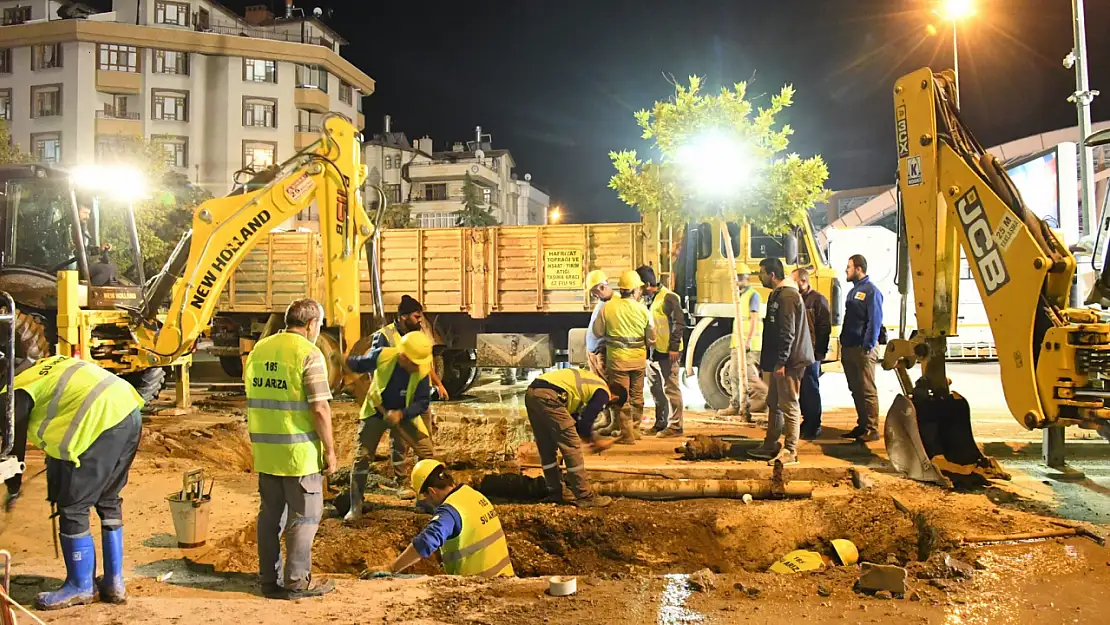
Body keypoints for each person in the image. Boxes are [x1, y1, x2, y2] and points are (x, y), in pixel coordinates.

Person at [2, 355, 143, 609]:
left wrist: (14, 485)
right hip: (127, 409)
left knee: (73, 507)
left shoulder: (15, 392)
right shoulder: (46, 366)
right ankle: (114, 583)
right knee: (108, 499)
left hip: (99, 422)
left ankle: (81, 587)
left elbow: (14, 447)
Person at [245, 298, 337, 600]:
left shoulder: (259, 350)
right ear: (311, 324)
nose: (318, 330)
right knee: (304, 518)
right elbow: (320, 408)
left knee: (270, 518)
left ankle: (268, 580)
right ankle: (297, 582)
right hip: (299, 456)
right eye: (319, 325)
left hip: (266, 452)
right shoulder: (308, 353)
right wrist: (330, 451)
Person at [345, 331, 437, 520]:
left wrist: (401, 414)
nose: (417, 366)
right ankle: (356, 504)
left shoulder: (422, 371)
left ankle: (424, 499)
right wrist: (344, 361)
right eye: (414, 362)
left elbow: (422, 403)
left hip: (404, 415)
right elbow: (360, 364)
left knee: (427, 453)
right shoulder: (383, 355)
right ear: (403, 356)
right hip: (376, 412)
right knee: (362, 456)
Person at [385, 460, 513, 578]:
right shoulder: (473, 495)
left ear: (431, 491)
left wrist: (391, 568)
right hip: (506, 579)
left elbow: (426, 542)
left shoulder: (450, 510)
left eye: (425, 497)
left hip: (480, 587)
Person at [371, 295, 447, 488]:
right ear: (403, 316)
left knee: (424, 442)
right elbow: (376, 367)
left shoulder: (417, 333)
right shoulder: (385, 336)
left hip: (420, 398)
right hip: (400, 400)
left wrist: (438, 383)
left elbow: (423, 361)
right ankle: (402, 481)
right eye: (416, 316)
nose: (420, 320)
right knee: (400, 442)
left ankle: (424, 482)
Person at [747, 258, 813, 466]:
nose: (760, 276)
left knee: (789, 404)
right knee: (774, 403)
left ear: (772, 275)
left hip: (789, 362)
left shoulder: (786, 296)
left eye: (762, 272)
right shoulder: (781, 294)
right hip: (781, 360)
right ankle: (771, 444)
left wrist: (782, 362)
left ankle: (791, 451)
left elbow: (788, 332)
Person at [525, 367, 615, 507]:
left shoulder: (589, 385)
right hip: (551, 396)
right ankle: (585, 496)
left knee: (546, 448)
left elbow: (576, 422)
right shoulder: (604, 392)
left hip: (532, 393)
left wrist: (590, 439)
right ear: (614, 397)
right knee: (571, 447)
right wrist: (595, 442)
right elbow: (585, 424)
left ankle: (555, 491)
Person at [591, 270, 654, 445]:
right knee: (637, 397)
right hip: (638, 360)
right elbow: (652, 338)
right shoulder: (643, 309)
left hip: (618, 361)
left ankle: (627, 435)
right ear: (634, 290)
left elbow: (597, 332)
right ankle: (635, 430)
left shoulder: (609, 308)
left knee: (622, 398)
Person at [636, 265, 685, 437]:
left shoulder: (669, 298)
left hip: (667, 353)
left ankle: (676, 426)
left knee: (671, 388)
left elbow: (679, 324)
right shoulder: (647, 300)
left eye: (640, 287)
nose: (639, 290)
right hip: (652, 353)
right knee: (656, 389)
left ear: (648, 284)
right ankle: (661, 423)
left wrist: (673, 347)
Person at [840, 254, 884, 442]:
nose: (846, 270)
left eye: (848, 267)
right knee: (856, 388)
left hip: (863, 348)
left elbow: (875, 320)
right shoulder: (853, 291)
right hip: (850, 346)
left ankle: (872, 429)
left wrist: (868, 344)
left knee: (867, 388)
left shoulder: (871, 291)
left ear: (858, 269)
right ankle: (863, 424)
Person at [718, 264, 768, 420]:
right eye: (736, 278)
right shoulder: (740, 296)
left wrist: (748, 340)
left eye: (740, 278)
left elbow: (753, 319)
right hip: (737, 343)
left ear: (746, 278)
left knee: (749, 376)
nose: (737, 281)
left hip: (748, 344)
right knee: (734, 374)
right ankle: (735, 405)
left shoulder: (753, 295)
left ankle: (767, 396)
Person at [792, 268, 832, 440]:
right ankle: (806, 421)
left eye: (794, 281)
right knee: (802, 390)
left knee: (811, 389)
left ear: (803, 281)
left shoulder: (817, 300)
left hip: (811, 353)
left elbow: (824, 327)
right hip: (798, 352)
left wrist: (819, 352)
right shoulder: (796, 299)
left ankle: (814, 424)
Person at [584, 270, 617, 432]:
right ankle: (606, 418)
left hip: (602, 352)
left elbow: (615, 330)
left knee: (608, 386)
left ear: (602, 287)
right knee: (599, 386)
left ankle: (613, 422)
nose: (594, 296)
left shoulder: (614, 304)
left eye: (594, 292)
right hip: (594, 352)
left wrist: (603, 344)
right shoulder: (603, 302)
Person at [75, 201, 117, 287]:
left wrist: (99, 249)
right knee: (106, 269)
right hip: (73, 265)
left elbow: (86, 249)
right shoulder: (70, 228)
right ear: (75, 212)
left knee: (112, 267)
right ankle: (89, 292)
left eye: (89, 214)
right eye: (84, 213)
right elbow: (71, 249)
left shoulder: (83, 229)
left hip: (84, 263)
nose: (87, 217)